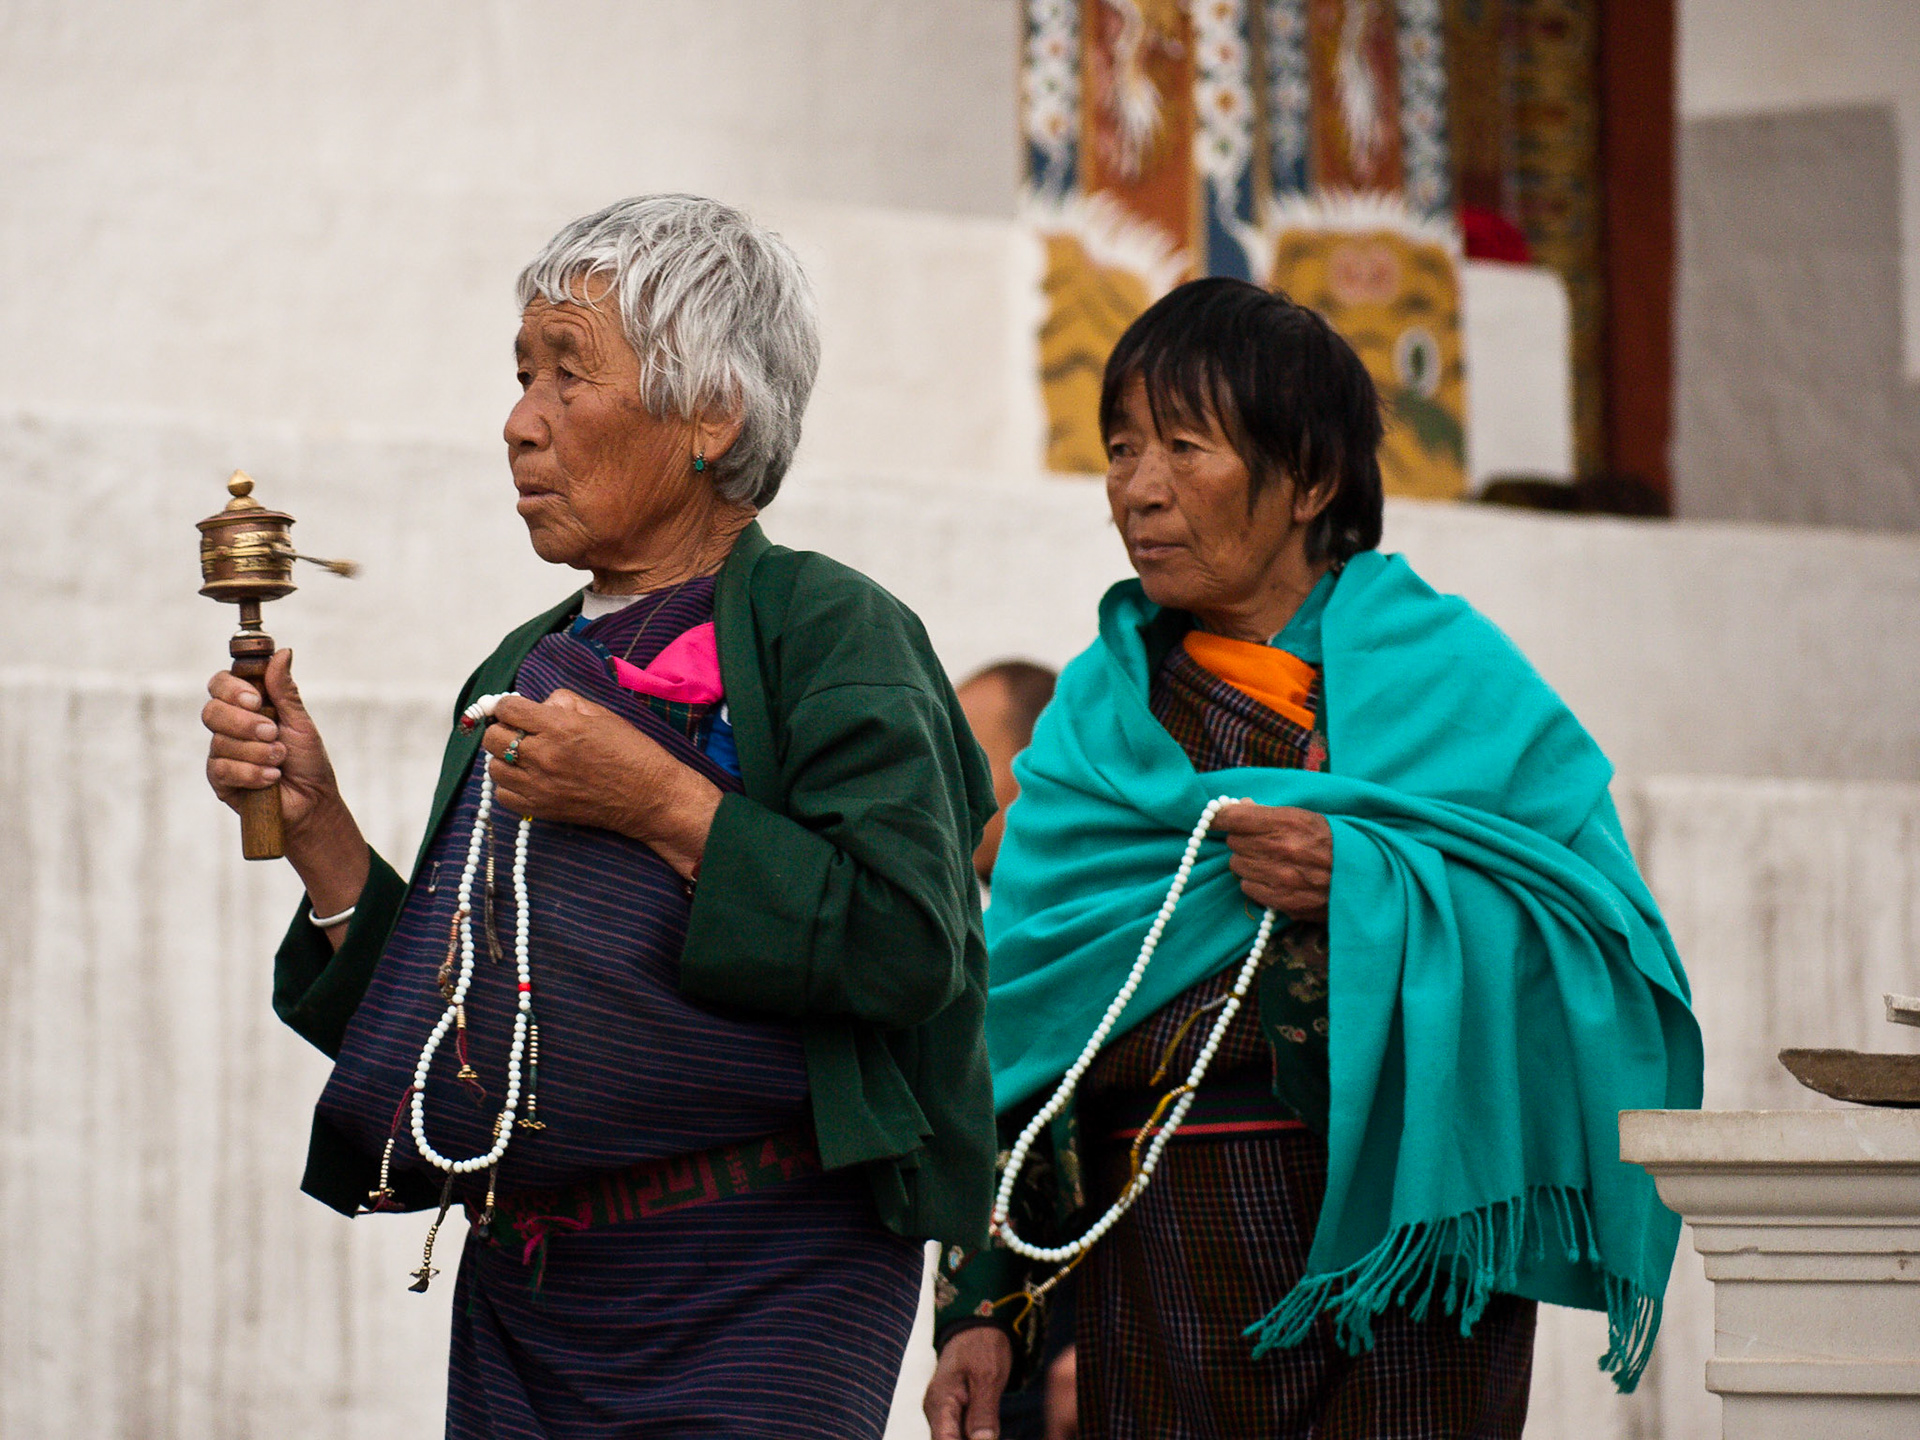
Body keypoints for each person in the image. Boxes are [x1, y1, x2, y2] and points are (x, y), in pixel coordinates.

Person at [201, 195, 997, 1440]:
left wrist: (663, 802)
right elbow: (464, 1020)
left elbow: (907, 946)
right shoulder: (520, 665)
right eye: (521, 378)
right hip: (531, 1292)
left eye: (568, 375)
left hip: (765, 1270)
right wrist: (322, 834)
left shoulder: (826, 629)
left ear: (711, 415)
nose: (520, 424)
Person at [925, 278, 1703, 1440]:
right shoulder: (1094, 730)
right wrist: (983, 1311)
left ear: (1312, 480)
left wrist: (1375, 885)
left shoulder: (1454, 681)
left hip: (1412, 1253)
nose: (1138, 490)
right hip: (1162, 1267)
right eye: (1123, 448)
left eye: (1185, 447)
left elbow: (1604, 949)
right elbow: (1025, 1045)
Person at [955, 661, 1075, 1440]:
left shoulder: (1098, 935)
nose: (945, 786)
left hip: (1096, 1348)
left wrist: (1078, 1344)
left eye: (969, 757)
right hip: (1009, 1344)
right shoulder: (1006, 937)